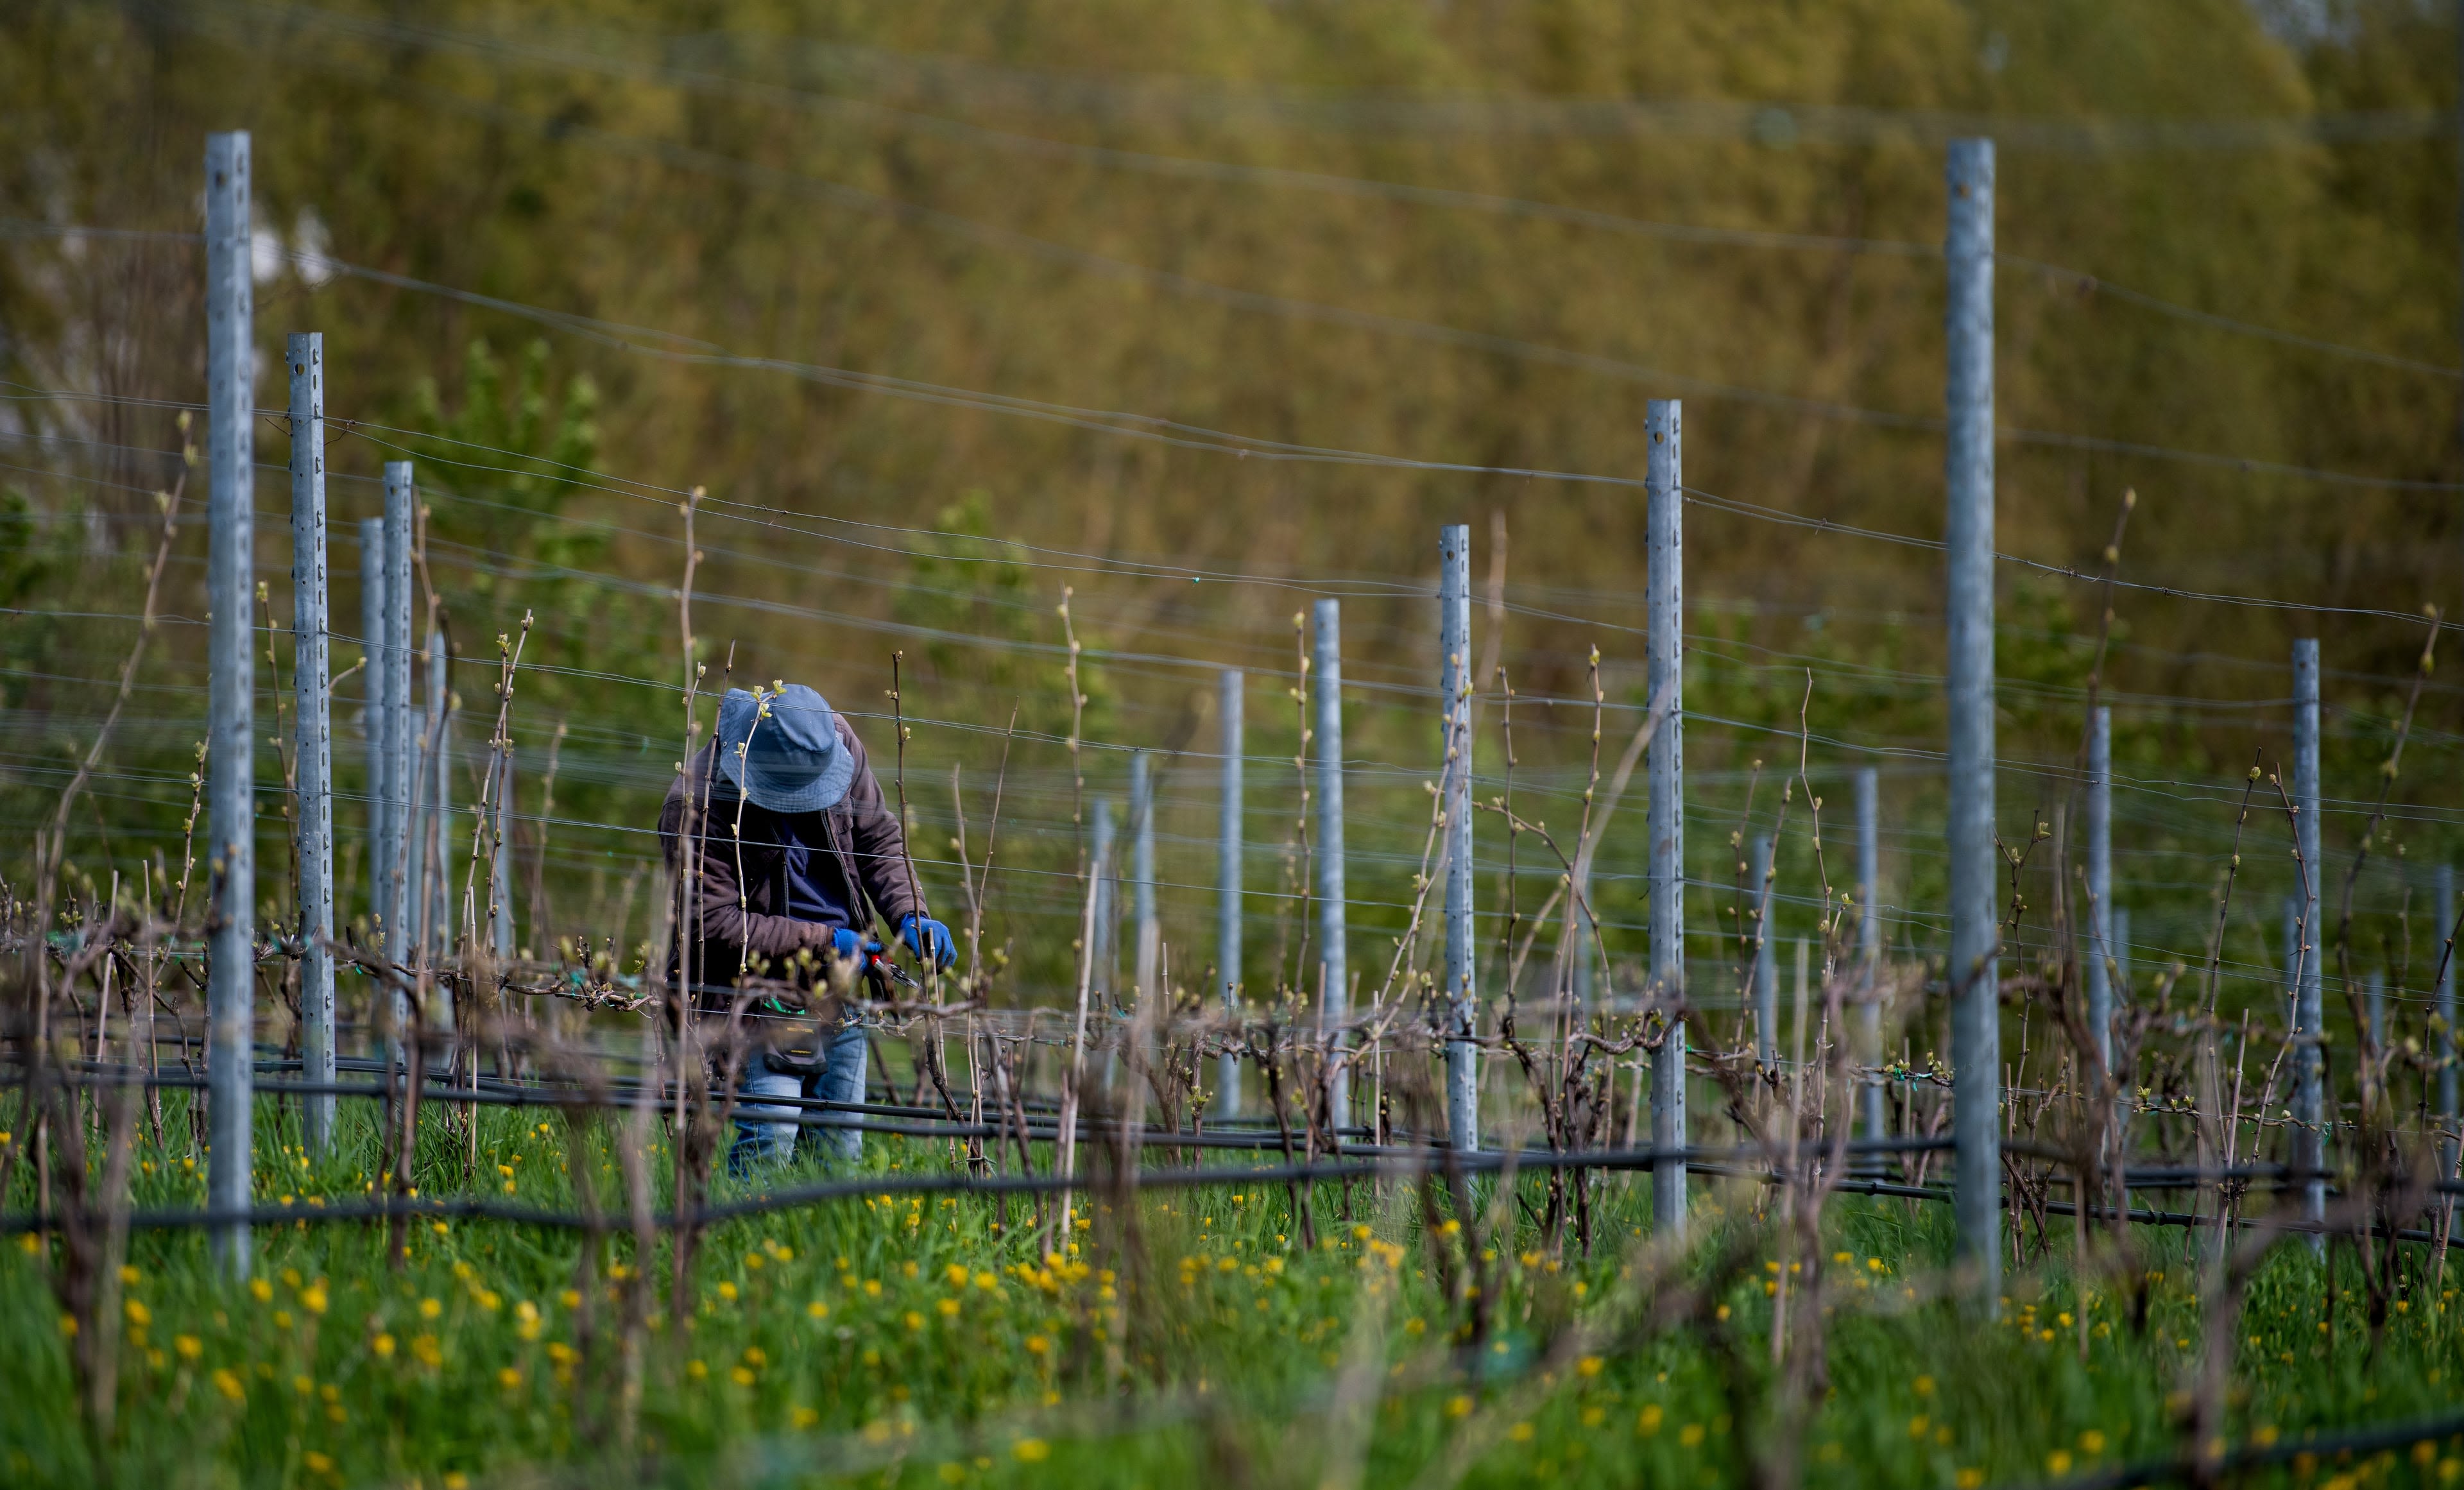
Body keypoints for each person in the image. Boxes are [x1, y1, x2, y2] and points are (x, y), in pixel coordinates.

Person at [657, 683, 955, 1170]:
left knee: (839, 1149)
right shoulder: (698, 801)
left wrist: (911, 914)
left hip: (842, 985)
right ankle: (737, 1239)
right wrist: (821, 942)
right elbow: (711, 922)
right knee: (770, 1137)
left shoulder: (833, 738)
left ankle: (816, 1244)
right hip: (750, 991)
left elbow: (878, 840)